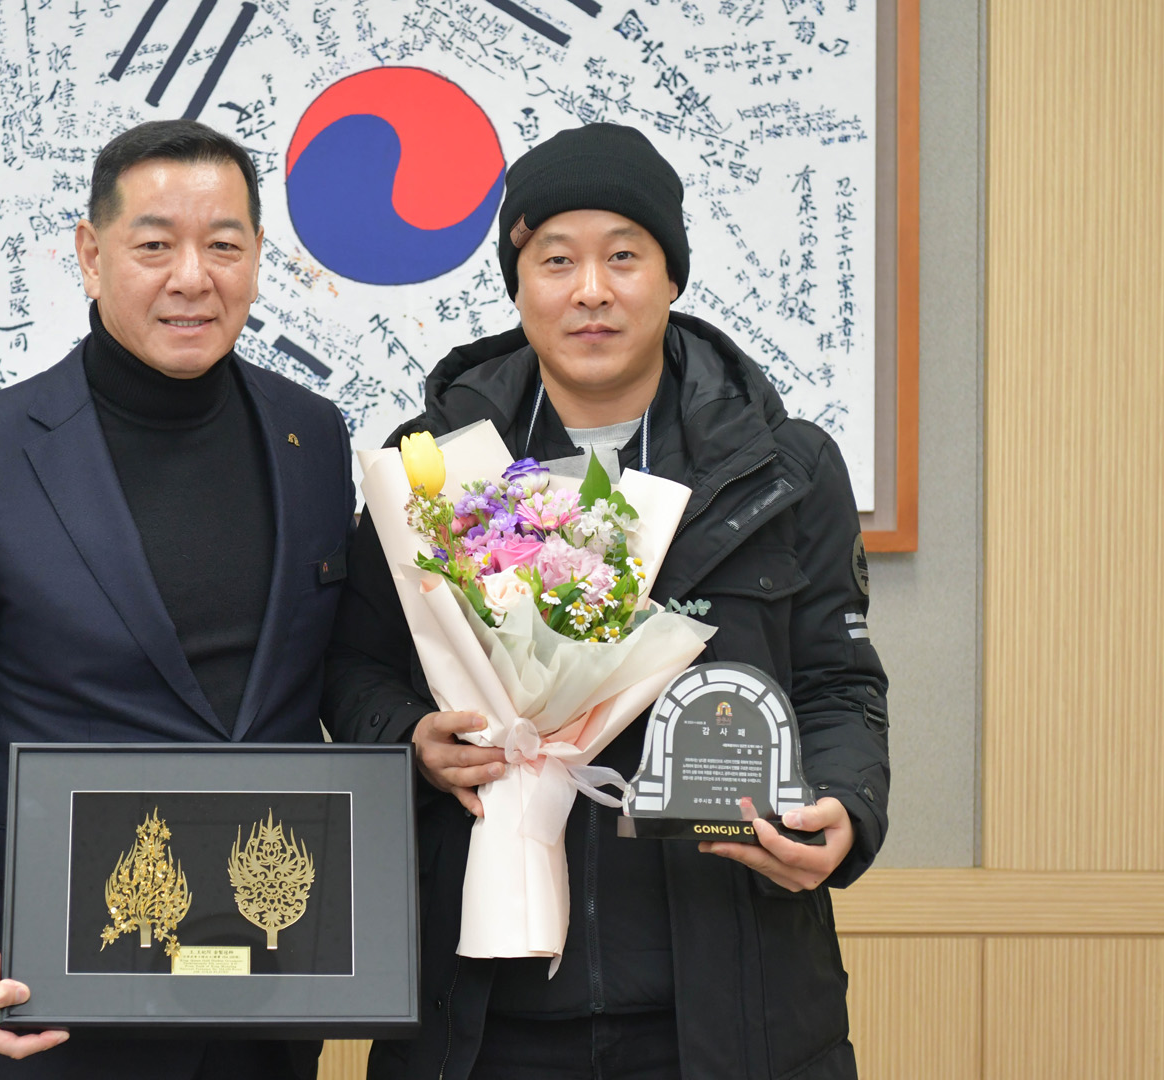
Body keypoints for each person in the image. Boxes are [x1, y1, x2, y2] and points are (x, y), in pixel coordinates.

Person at [323, 123, 890, 1079]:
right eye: (557, 260)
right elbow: (354, 666)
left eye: (624, 256)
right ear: (518, 286)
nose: (591, 289)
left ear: (671, 278)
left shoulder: (783, 467)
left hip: (724, 999)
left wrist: (846, 803)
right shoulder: (436, 466)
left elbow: (840, 683)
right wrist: (411, 736)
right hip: (481, 1008)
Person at [0, 119, 352, 1080]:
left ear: (256, 258)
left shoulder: (312, 437)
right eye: (154, 245)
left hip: (270, 999)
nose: (192, 278)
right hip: (51, 1005)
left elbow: (331, 671)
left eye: (223, 246)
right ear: (90, 254)